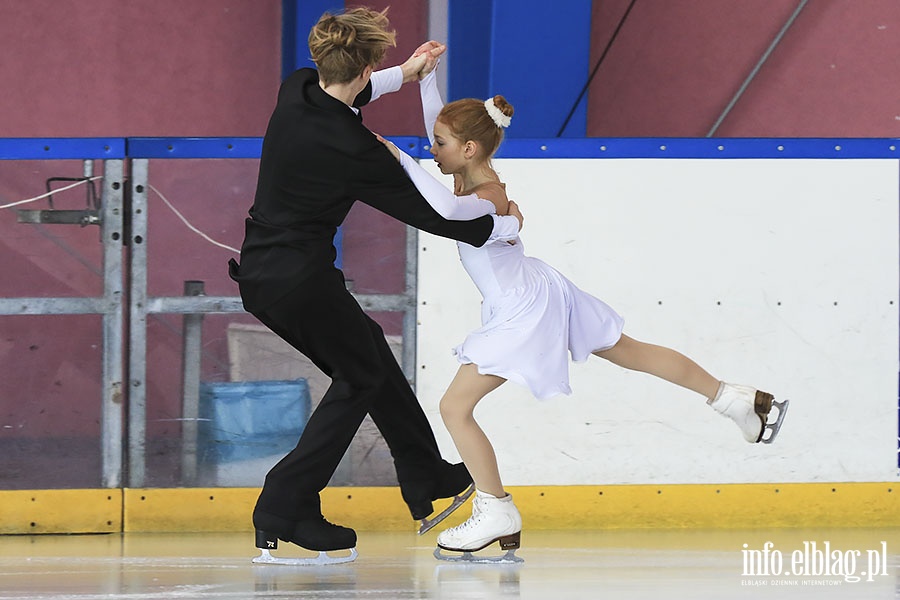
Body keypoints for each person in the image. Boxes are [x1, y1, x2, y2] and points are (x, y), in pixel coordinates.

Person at [379, 58, 788, 562]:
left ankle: (495, 509)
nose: (430, 149)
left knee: (454, 408)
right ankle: (734, 399)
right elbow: (440, 127)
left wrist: (397, 157)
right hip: (539, 288)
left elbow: (444, 209)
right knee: (628, 351)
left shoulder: (483, 199)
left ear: (467, 149)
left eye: (438, 145)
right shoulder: (472, 171)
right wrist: (427, 80)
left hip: (523, 307)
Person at [227, 8, 523, 564]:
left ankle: (427, 473)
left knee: (371, 361)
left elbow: (349, 92)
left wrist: (408, 74)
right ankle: (285, 504)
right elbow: (442, 218)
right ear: (365, 66)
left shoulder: (296, 90)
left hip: (272, 274)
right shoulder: (354, 149)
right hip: (299, 281)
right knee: (359, 374)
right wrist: (504, 223)